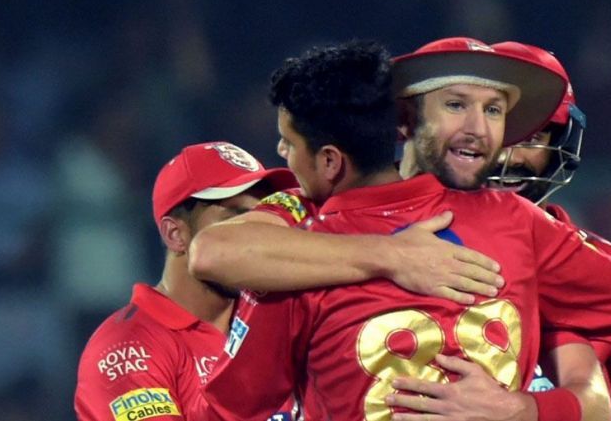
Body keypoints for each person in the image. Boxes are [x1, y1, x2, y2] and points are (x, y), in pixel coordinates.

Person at [189, 39, 611, 421]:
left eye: (495, 111)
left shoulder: (295, 258)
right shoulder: (514, 220)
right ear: (405, 121)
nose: (480, 129)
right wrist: (390, 255)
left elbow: (230, 406)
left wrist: (522, 408)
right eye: (456, 105)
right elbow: (212, 250)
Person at [74, 139, 506, 421]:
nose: (255, 231)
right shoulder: (128, 346)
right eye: (236, 218)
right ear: (176, 233)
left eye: (263, 216)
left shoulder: (277, 312)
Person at [387, 41, 611, 421]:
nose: (509, 155)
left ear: (560, 147)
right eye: (506, 131)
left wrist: (520, 410)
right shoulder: (343, 227)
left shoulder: (605, 281)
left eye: (534, 137)